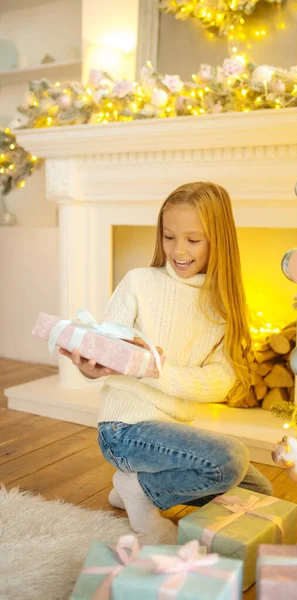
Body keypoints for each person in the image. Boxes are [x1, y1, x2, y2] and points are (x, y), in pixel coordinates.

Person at [60, 182, 272, 544]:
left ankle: (134, 488)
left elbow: (222, 380)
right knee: (229, 459)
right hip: (123, 431)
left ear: (218, 240)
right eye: (169, 236)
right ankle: (139, 489)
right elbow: (109, 352)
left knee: (259, 490)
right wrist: (88, 366)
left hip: (169, 433)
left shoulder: (225, 307)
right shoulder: (139, 282)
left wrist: (154, 369)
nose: (178, 250)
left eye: (193, 240)